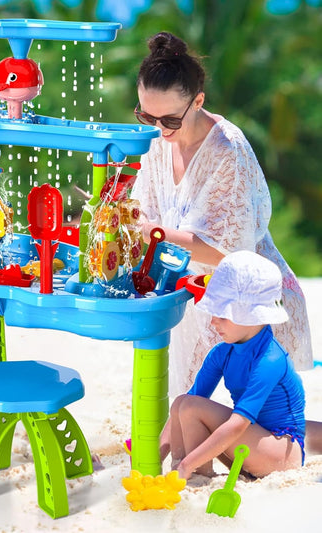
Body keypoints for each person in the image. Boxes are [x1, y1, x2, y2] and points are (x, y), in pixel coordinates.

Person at [130, 32, 312, 397]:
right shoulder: (156, 140)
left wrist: (150, 232)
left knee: (256, 422)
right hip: (190, 296)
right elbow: (141, 211)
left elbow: (226, 252)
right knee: (188, 412)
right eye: (147, 115)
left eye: (170, 119)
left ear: (198, 101)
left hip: (245, 307)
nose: (159, 129)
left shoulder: (228, 151)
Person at [164, 251, 305, 480]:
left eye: (222, 314)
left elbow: (238, 424)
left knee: (192, 407)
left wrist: (187, 465)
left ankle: (191, 472)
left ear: (253, 315)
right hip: (252, 446)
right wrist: (154, 457)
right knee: (182, 402)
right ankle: (186, 472)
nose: (213, 321)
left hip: (281, 451)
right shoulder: (223, 353)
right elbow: (185, 405)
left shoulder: (270, 359)